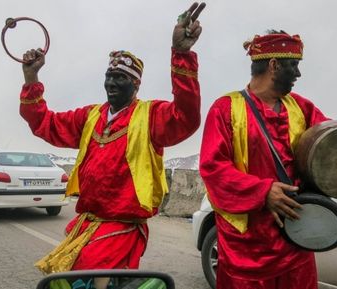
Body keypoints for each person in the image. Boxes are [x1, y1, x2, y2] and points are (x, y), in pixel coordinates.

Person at [18, 2, 206, 278]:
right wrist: (31, 76)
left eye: (120, 78)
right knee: (67, 282)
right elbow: (44, 123)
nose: (112, 83)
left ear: (136, 84)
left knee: (96, 282)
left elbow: (186, 117)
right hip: (85, 225)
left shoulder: (150, 115)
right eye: (109, 76)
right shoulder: (90, 116)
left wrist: (181, 54)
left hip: (121, 230)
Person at [199, 30, 337, 289]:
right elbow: (213, 168)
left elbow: (334, 136)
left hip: (295, 243)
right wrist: (263, 192)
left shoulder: (300, 107)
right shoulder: (225, 109)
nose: (298, 74)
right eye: (294, 66)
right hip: (246, 248)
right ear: (274, 65)